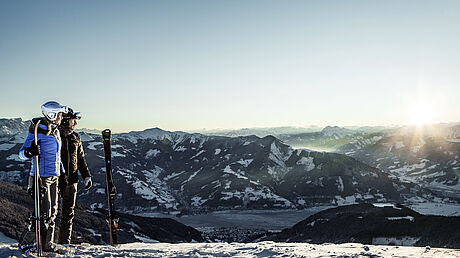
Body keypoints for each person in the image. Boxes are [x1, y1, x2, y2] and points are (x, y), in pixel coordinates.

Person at [19, 101, 68, 252]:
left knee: (53, 211)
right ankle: (28, 241)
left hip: (54, 176)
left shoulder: (56, 131)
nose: (61, 117)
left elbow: (57, 156)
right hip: (41, 177)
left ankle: (48, 244)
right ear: (52, 114)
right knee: (42, 213)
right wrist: (30, 152)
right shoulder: (36, 131)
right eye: (59, 114)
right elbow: (21, 153)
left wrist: (63, 173)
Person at [57, 107, 92, 245]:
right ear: (65, 121)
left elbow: (81, 158)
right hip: (55, 180)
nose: (75, 124)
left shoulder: (75, 137)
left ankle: (63, 244)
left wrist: (86, 176)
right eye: (73, 121)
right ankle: (46, 244)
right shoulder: (54, 136)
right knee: (50, 215)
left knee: (68, 215)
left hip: (72, 181)